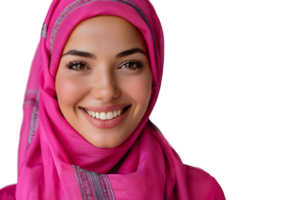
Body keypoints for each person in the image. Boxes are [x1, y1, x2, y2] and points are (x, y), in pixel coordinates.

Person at [0, 0, 227, 199]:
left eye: (129, 64)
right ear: (50, 78)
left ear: (155, 73)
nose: (107, 91)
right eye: (79, 65)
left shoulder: (202, 193)